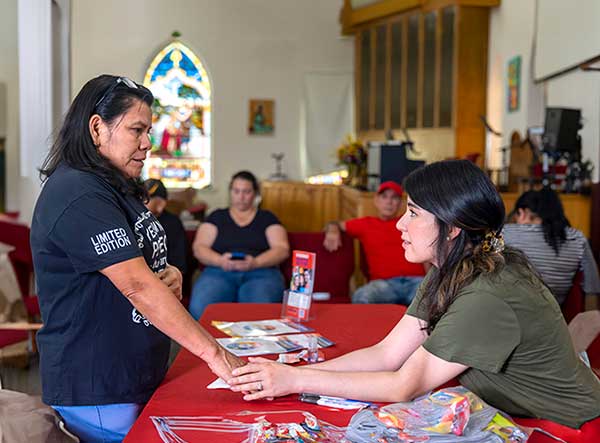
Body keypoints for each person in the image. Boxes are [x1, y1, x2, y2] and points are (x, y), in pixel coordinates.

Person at [229, 160, 600, 429]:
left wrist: (294, 381)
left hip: (564, 426)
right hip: (512, 410)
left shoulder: (489, 294)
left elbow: (403, 384)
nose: (399, 224)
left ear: (452, 227)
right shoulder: (453, 266)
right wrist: (292, 372)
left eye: (413, 213)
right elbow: (387, 354)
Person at [30, 75, 245, 443]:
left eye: (149, 131)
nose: (148, 143)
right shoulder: (77, 192)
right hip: (98, 384)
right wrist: (216, 355)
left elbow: (137, 260)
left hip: (135, 374)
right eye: (137, 130)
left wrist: (170, 271)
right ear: (97, 128)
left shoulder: (114, 184)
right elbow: (135, 284)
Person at [188, 171, 289, 319]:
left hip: (261, 273)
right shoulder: (217, 216)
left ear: (255, 194)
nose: (241, 196)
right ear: (230, 192)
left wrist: (255, 262)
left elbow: (282, 249)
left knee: (260, 314)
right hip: (219, 271)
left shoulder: (267, 217)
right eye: (236, 191)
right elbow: (199, 247)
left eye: (246, 192)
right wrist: (220, 261)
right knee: (200, 307)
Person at [323, 181, 426, 305]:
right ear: (376, 200)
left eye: (394, 197)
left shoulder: (409, 222)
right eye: (384, 197)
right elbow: (334, 223)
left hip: (416, 282)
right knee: (361, 296)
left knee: (430, 301)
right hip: (383, 284)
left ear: (401, 203)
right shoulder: (366, 224)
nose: (389, 202)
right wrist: (333, 230)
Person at [503, 187, 600, 305]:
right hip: (554, 315)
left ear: (523, 212)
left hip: (509, 310)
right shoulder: (577, 237)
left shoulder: (506, 232)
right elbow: (592, 286)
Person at [143, 178, 188, 274]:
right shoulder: (131, 219)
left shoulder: (172, 224)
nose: (140, 202)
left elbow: (178, 264)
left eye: (146, 199)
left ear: (161, 204)